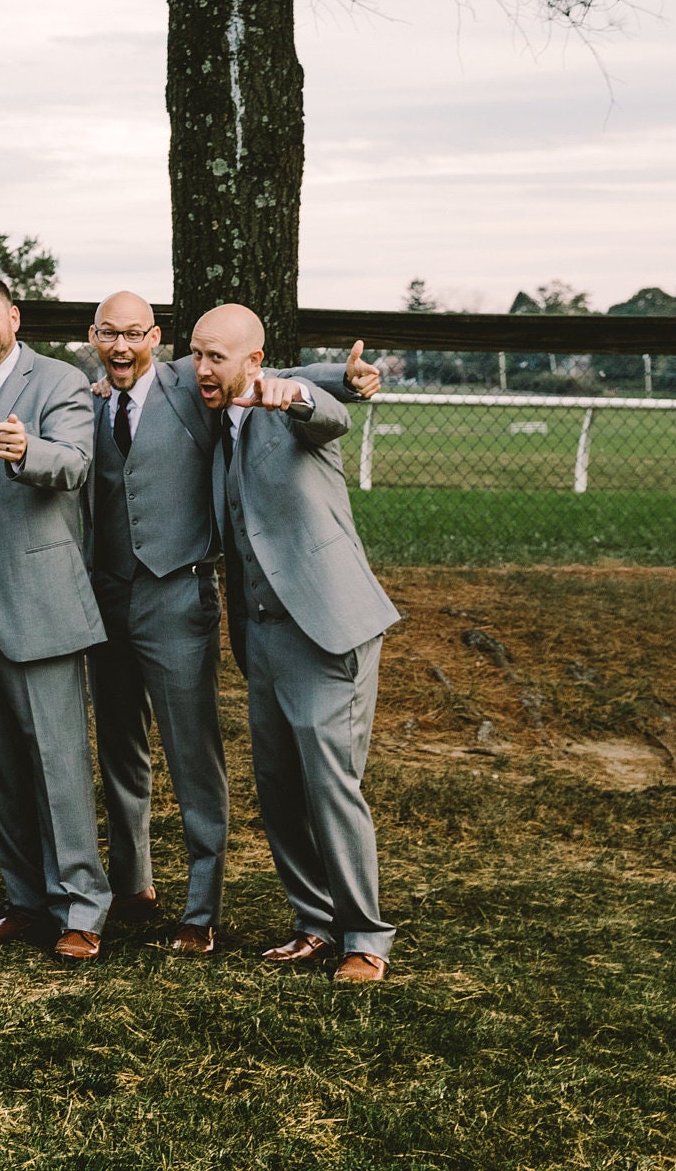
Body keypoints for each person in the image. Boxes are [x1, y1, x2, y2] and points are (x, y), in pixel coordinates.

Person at [0, 293, 374, 951]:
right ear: (91, 336)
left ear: (157, 338)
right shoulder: (82, 399)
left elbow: (272, 375)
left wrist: (345, 379)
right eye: (108, 334)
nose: (121, 347)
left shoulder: (192, 382)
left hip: (176, 596)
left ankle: (201, 909)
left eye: (134, 334)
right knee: (120, 751)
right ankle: (132, 882)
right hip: (101, 597)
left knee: (192, 756)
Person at [190, 305, 401, 984]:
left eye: (216, 356)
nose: (201, 368)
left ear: (255, 362)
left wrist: (309, 390)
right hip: (263, 634)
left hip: (326, 627)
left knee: (329, 785)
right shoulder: (216, 413)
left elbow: (329, 412)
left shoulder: (289, 407)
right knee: (279, 788)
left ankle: (366, 938)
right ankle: (313, 924)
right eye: (196, 353)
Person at [0, 272, 107, 959]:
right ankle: (26, 899)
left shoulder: (58, 382)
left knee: (57, 763)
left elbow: (75, 462)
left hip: (39, 603)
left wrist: (27, 451)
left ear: (14, 317)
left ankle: (82, 910)